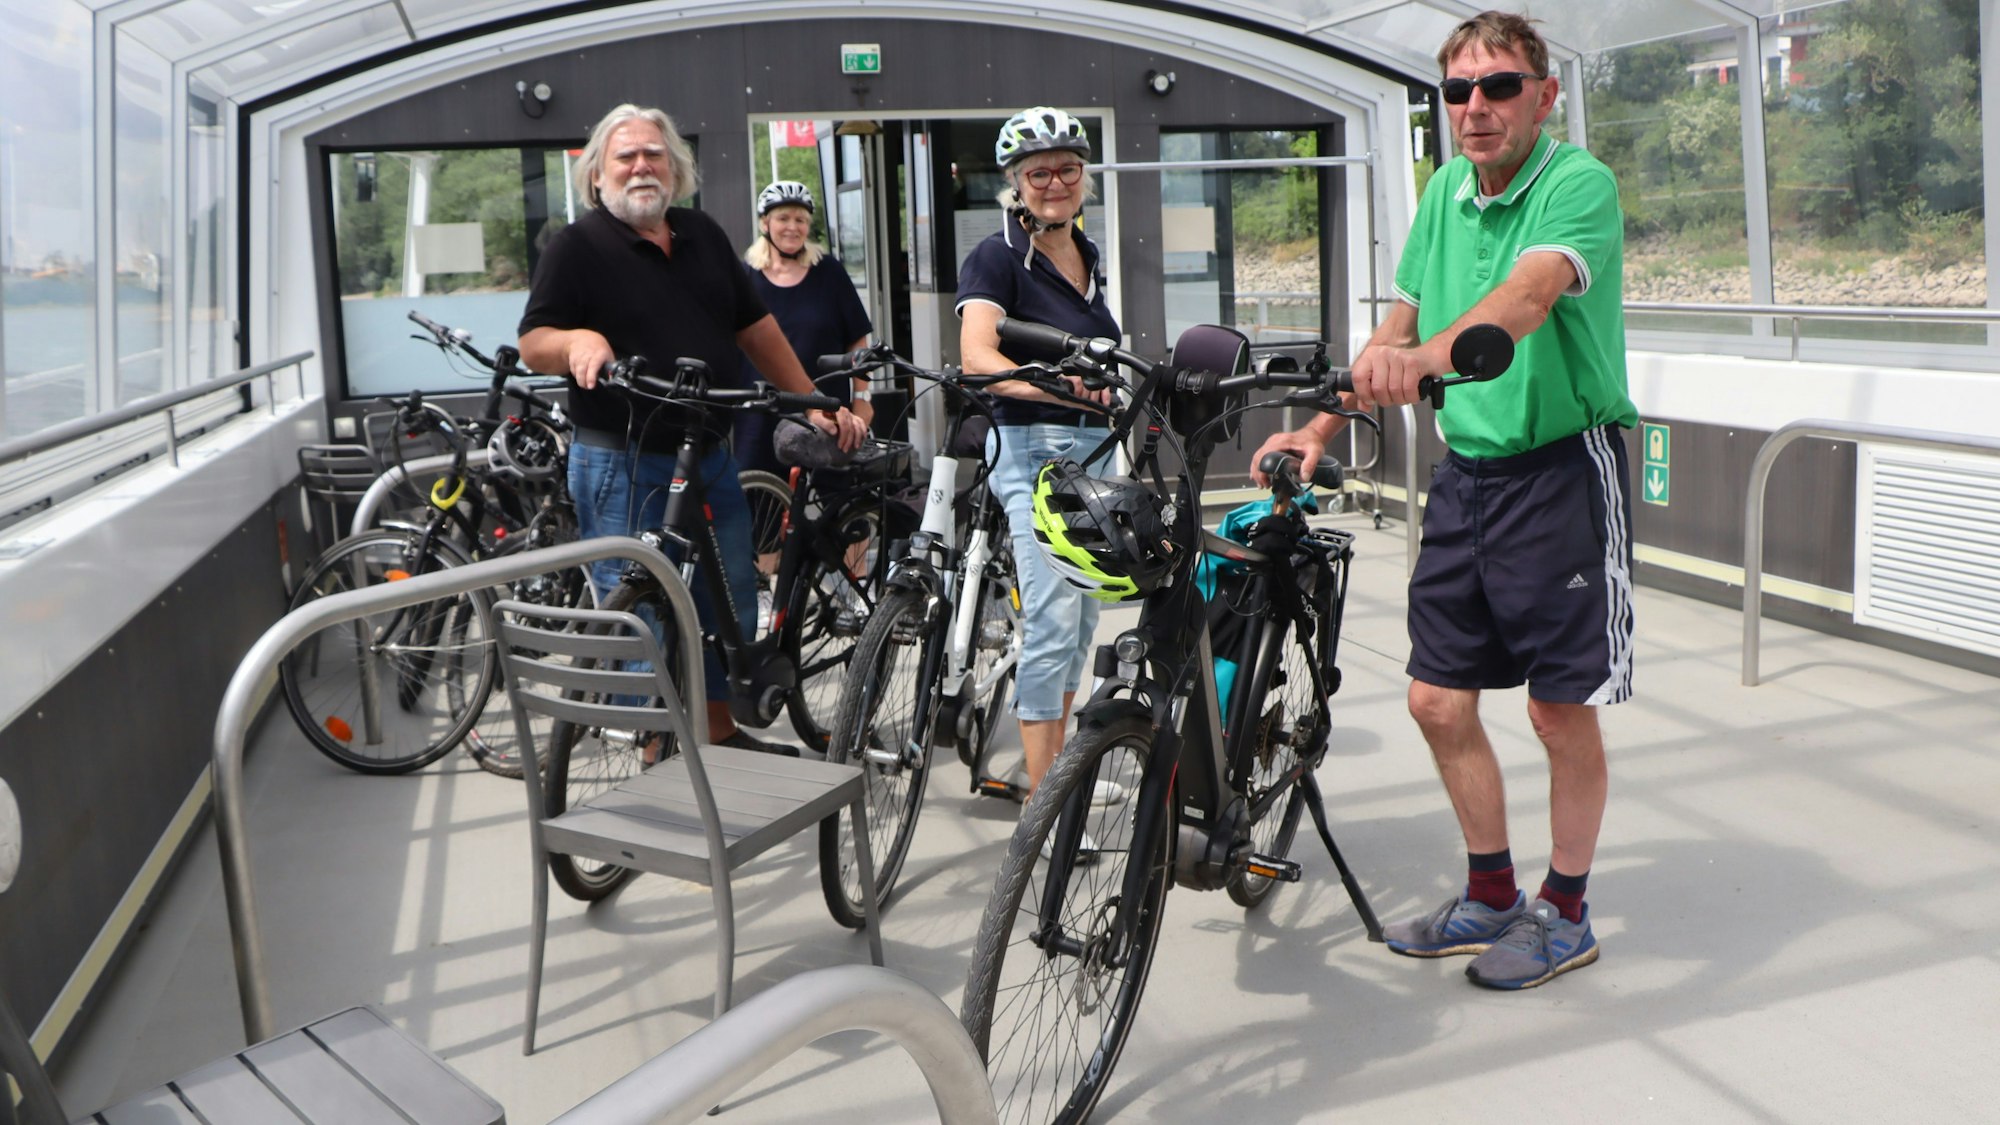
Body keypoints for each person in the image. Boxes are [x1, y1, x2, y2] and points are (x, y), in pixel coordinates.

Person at [1251, 10, 1636, 990]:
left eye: (1497, 86)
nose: (1473, 108)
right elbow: (1401, 323)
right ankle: (1491, 894)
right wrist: (1318, 426)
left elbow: (1528, 296)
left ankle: (1565, 910)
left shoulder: (1574, 183)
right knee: (1433, 699)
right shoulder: (1441, 196)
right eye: (1456, 90)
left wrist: (1425, 362)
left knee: (1557, 713)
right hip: (1466, 480)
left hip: (1559, 471)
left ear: (1541, 97)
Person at [519, 103, 865, 755]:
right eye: (626, 156)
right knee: (642, 612)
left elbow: (755, 327)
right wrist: (578, 342)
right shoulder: (576, 247)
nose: (641, 166)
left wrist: (808, 399)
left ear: (675, 170)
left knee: (726, 596)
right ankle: (655, 750)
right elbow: (535, 340)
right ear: (597, 174)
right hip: (621, 459)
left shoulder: (703, 234)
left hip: (707, 451)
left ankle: (718, 732)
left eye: (654, 154)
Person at [957, 107, 1120, 803]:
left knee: (1083, 614)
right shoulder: (997, 255)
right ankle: (1042, 806)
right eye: (1039, 172)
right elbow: (976, 355)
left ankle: (1058, 776)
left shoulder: (1088, 252)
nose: (1055, 182)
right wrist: (1055, 389)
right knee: (1051, 621)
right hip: (1033, 449)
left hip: (1094, 453)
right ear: (1016, 183)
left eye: (1067, 169)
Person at [736, 180, 875, 474]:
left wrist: (863, 399)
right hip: (761, 412)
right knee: (760, 501)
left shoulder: (829, 272)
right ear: (765, 223)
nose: (792, 227)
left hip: (826, 409)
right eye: (783, 218)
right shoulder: (744, 275)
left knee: (830, 500)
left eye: (800, 220)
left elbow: (857, 341)